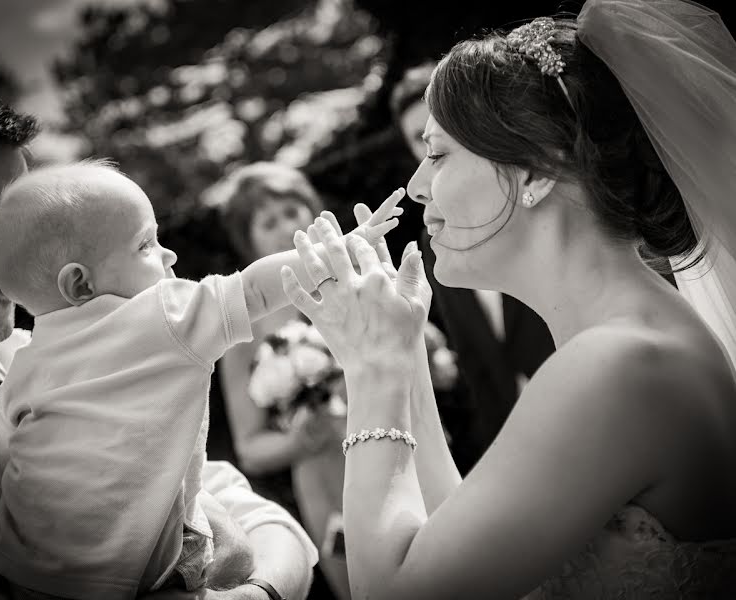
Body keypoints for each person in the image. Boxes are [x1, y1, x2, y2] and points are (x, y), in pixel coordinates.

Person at [278, 1, 736, 597]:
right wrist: (404, 353)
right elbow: (451, 549)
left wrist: (374, 370)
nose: (416, 186)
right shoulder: (632, 343)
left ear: (535, 172)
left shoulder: (620, 366)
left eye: (437, 153)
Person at [0, 158, 400, 598]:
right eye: (146, 244)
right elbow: (256, 289)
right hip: (135, 572)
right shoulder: (158, 315)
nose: (169, 255)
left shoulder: (26, 361)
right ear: (81, 286)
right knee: (234, 554)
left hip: (26, 571)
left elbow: (17, 452)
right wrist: (336, 252)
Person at [391, 63, 555, 468]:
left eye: (438, 142)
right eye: (418, 140)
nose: (423, 161)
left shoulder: (540, 210)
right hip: (510, 440)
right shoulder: (433, 246)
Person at [214, 162, 350, 600]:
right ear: (249, 242)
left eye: (293, 211)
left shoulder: (362, 276)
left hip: (406, 441)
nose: (286, 227)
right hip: (327, 480)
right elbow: (251, 449)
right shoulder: (243, 333)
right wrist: (302, 439)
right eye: (268, 222)